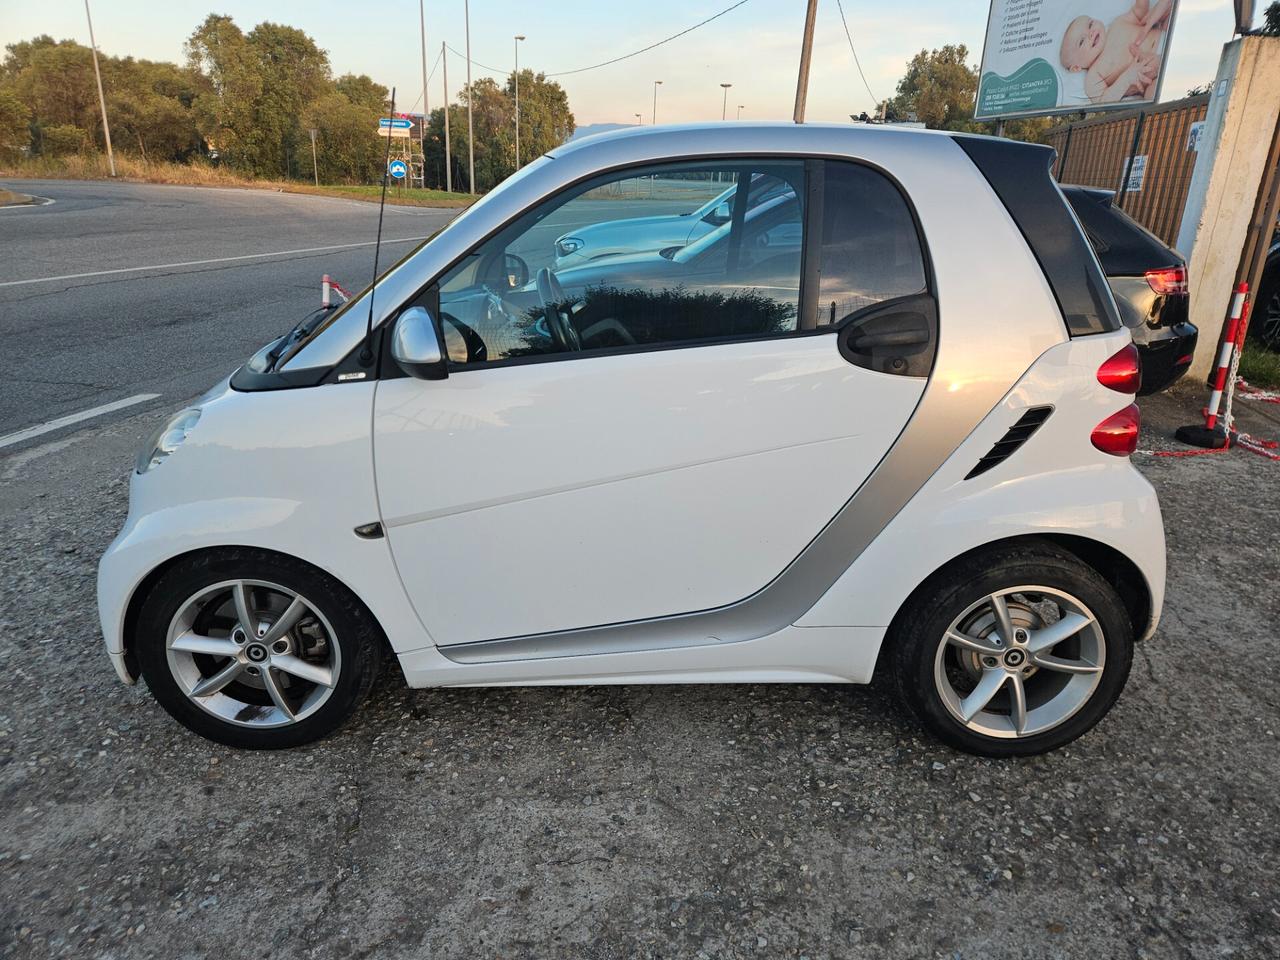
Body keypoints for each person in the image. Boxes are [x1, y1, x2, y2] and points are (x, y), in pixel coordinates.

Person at [1059, 0, 1172, 103]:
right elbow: (1103, 101)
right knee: (1152, 96)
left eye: (1090, 24)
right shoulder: (1093, 77)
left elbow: (1139, 12)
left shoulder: (1117, 23)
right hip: (1152, 79)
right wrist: (1126, 79)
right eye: (1081, 41)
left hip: (1166, 38)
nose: (1091, 33)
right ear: (1076, 68)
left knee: (1170, 18)